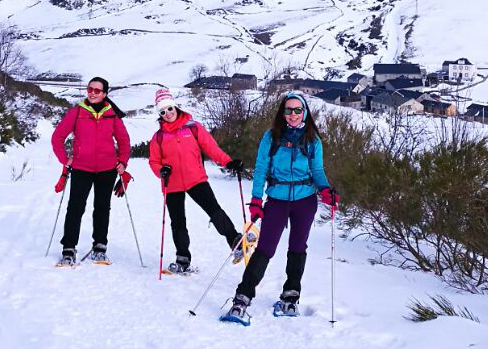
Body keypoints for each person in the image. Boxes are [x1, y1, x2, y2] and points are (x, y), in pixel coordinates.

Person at [226, 93, 338, 321]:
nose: (293, 114)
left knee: (297, 247)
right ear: (282, 112)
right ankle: (242, 298)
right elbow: (260, 170)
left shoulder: (312, 139)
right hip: (276, 199)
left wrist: (325, 190)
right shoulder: (271, 137)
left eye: (298, 110)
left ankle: (290, 296)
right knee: (265, 248)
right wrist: (256, 200)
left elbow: (317, 170)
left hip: (305, 200)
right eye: (288, 110)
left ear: (305, 112)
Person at [148, 87, 245, 273]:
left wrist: (229, 162)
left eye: (169, 109)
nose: (167, 114)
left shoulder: (193, 127)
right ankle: (182, 259)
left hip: (196, 179)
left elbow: (211, 148)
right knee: (178, 223)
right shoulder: (158, 137)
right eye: (162, 111)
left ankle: (235, 241)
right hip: (172, 184)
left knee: (214, 211)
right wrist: (162, 171)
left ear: (175, 107)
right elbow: (154, 161)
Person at [50, 76, 130, 265]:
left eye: (97, 90)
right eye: (90, 89)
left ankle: (100, 247)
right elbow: (57, 137)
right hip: (81, 168)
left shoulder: (112, 115)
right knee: (75, 208)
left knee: (102, 208)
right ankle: (69, 248)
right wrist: (65, 159)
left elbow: (124, 141)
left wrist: (123, 162)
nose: (92, 93)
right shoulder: (76, 112)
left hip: (107, 169)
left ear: (104, 94)